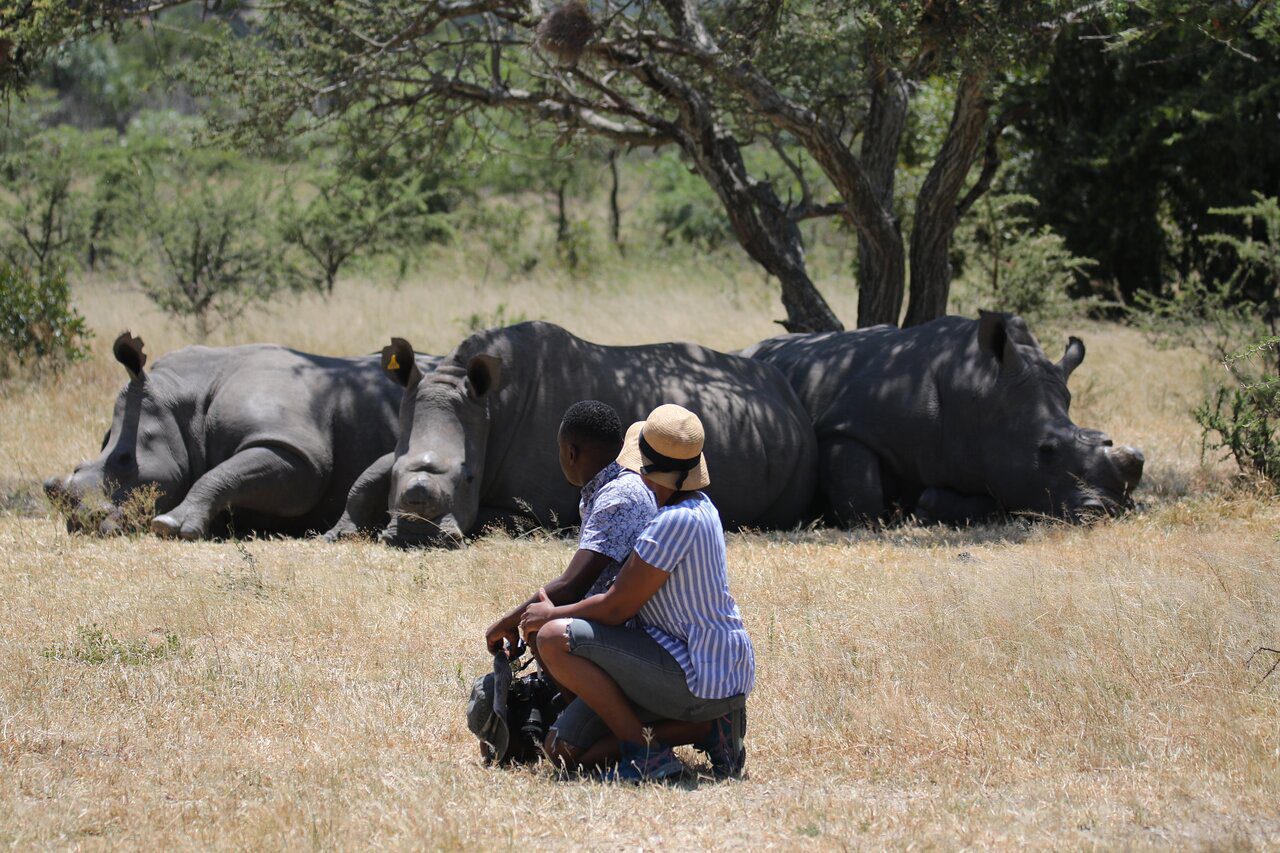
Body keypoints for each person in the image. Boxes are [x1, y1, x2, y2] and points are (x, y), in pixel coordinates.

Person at [520, 404, 754, 782]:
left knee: (552, 637)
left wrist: (551, 615)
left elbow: (614, 607)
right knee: (562, 753)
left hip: (697, 674)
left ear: (645, 467)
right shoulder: (699, 506)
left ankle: (646, 752)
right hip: (706, 664)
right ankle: (709, 729)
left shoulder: (671, 524)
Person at [484, 400, 657, 657]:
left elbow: (571, 586)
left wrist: (507, 622)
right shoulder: (612, 487)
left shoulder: (618, 497)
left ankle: (580, 699)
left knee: (542, 627)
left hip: (634, 633)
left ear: (571, 453)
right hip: (618, 619)